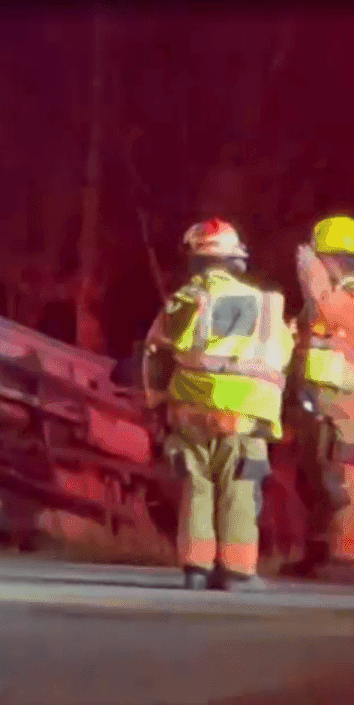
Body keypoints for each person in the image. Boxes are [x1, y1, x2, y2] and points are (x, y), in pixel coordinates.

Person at [142, 218, 294, 591]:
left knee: (196, 487)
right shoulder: (266, 305)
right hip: (244, 411)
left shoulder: (182, 301)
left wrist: (158, 403)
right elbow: (283, 356)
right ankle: (239, 572)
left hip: (190, 409)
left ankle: (197, 569)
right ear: (235, 258)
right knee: (240, 487)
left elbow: (156, 355)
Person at [281, 215, 354, 584]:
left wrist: (311, 279)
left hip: (345, 411)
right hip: (319, 409)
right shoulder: (324, 299)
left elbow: (327, 311)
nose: (312, 266)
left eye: (318, 258)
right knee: (313, 482)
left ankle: (343, 558)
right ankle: (317, 551)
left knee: (341, 484)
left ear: (335, 259)